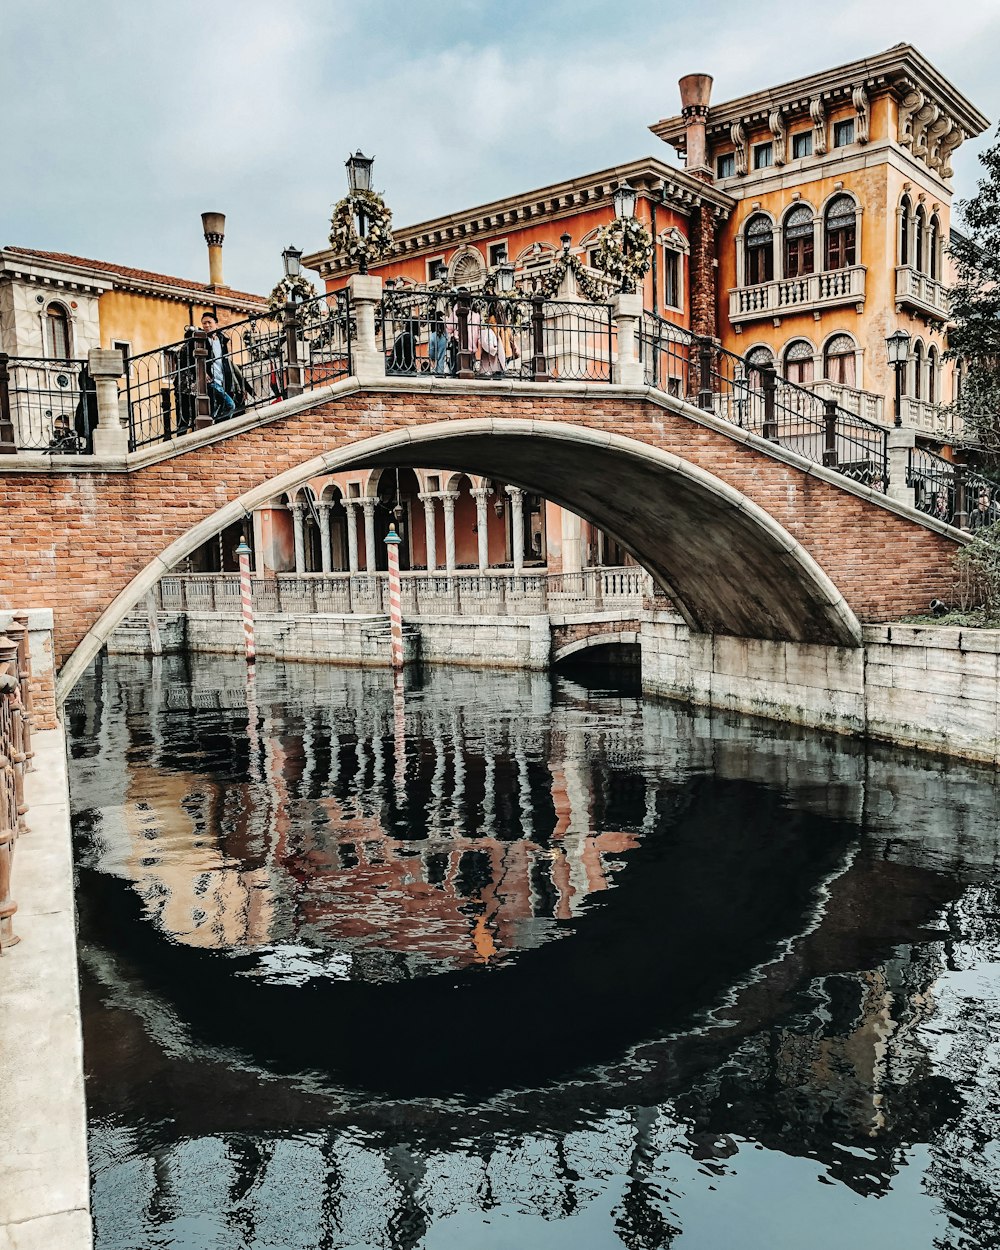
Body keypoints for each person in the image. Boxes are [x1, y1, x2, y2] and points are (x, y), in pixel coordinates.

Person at [201, 312, 236, 422]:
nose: (206, 325)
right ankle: (219, 427)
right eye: (204, 323)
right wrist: (203, 372)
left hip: (222, 378)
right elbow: (195, 360)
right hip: (211, 380)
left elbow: (224, 361)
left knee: (217, 408)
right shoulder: (201, 341)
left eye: (209, 322)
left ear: (216, 324)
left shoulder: (222, 340)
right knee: (230, 405)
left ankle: (214, 427)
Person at [73, 362, 98, 453]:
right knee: (89, 429)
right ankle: (89, 449)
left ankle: (91, 448)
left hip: (95, 407)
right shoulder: (83, 374)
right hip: (88, 406)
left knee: (94, 428)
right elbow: (87, 390)